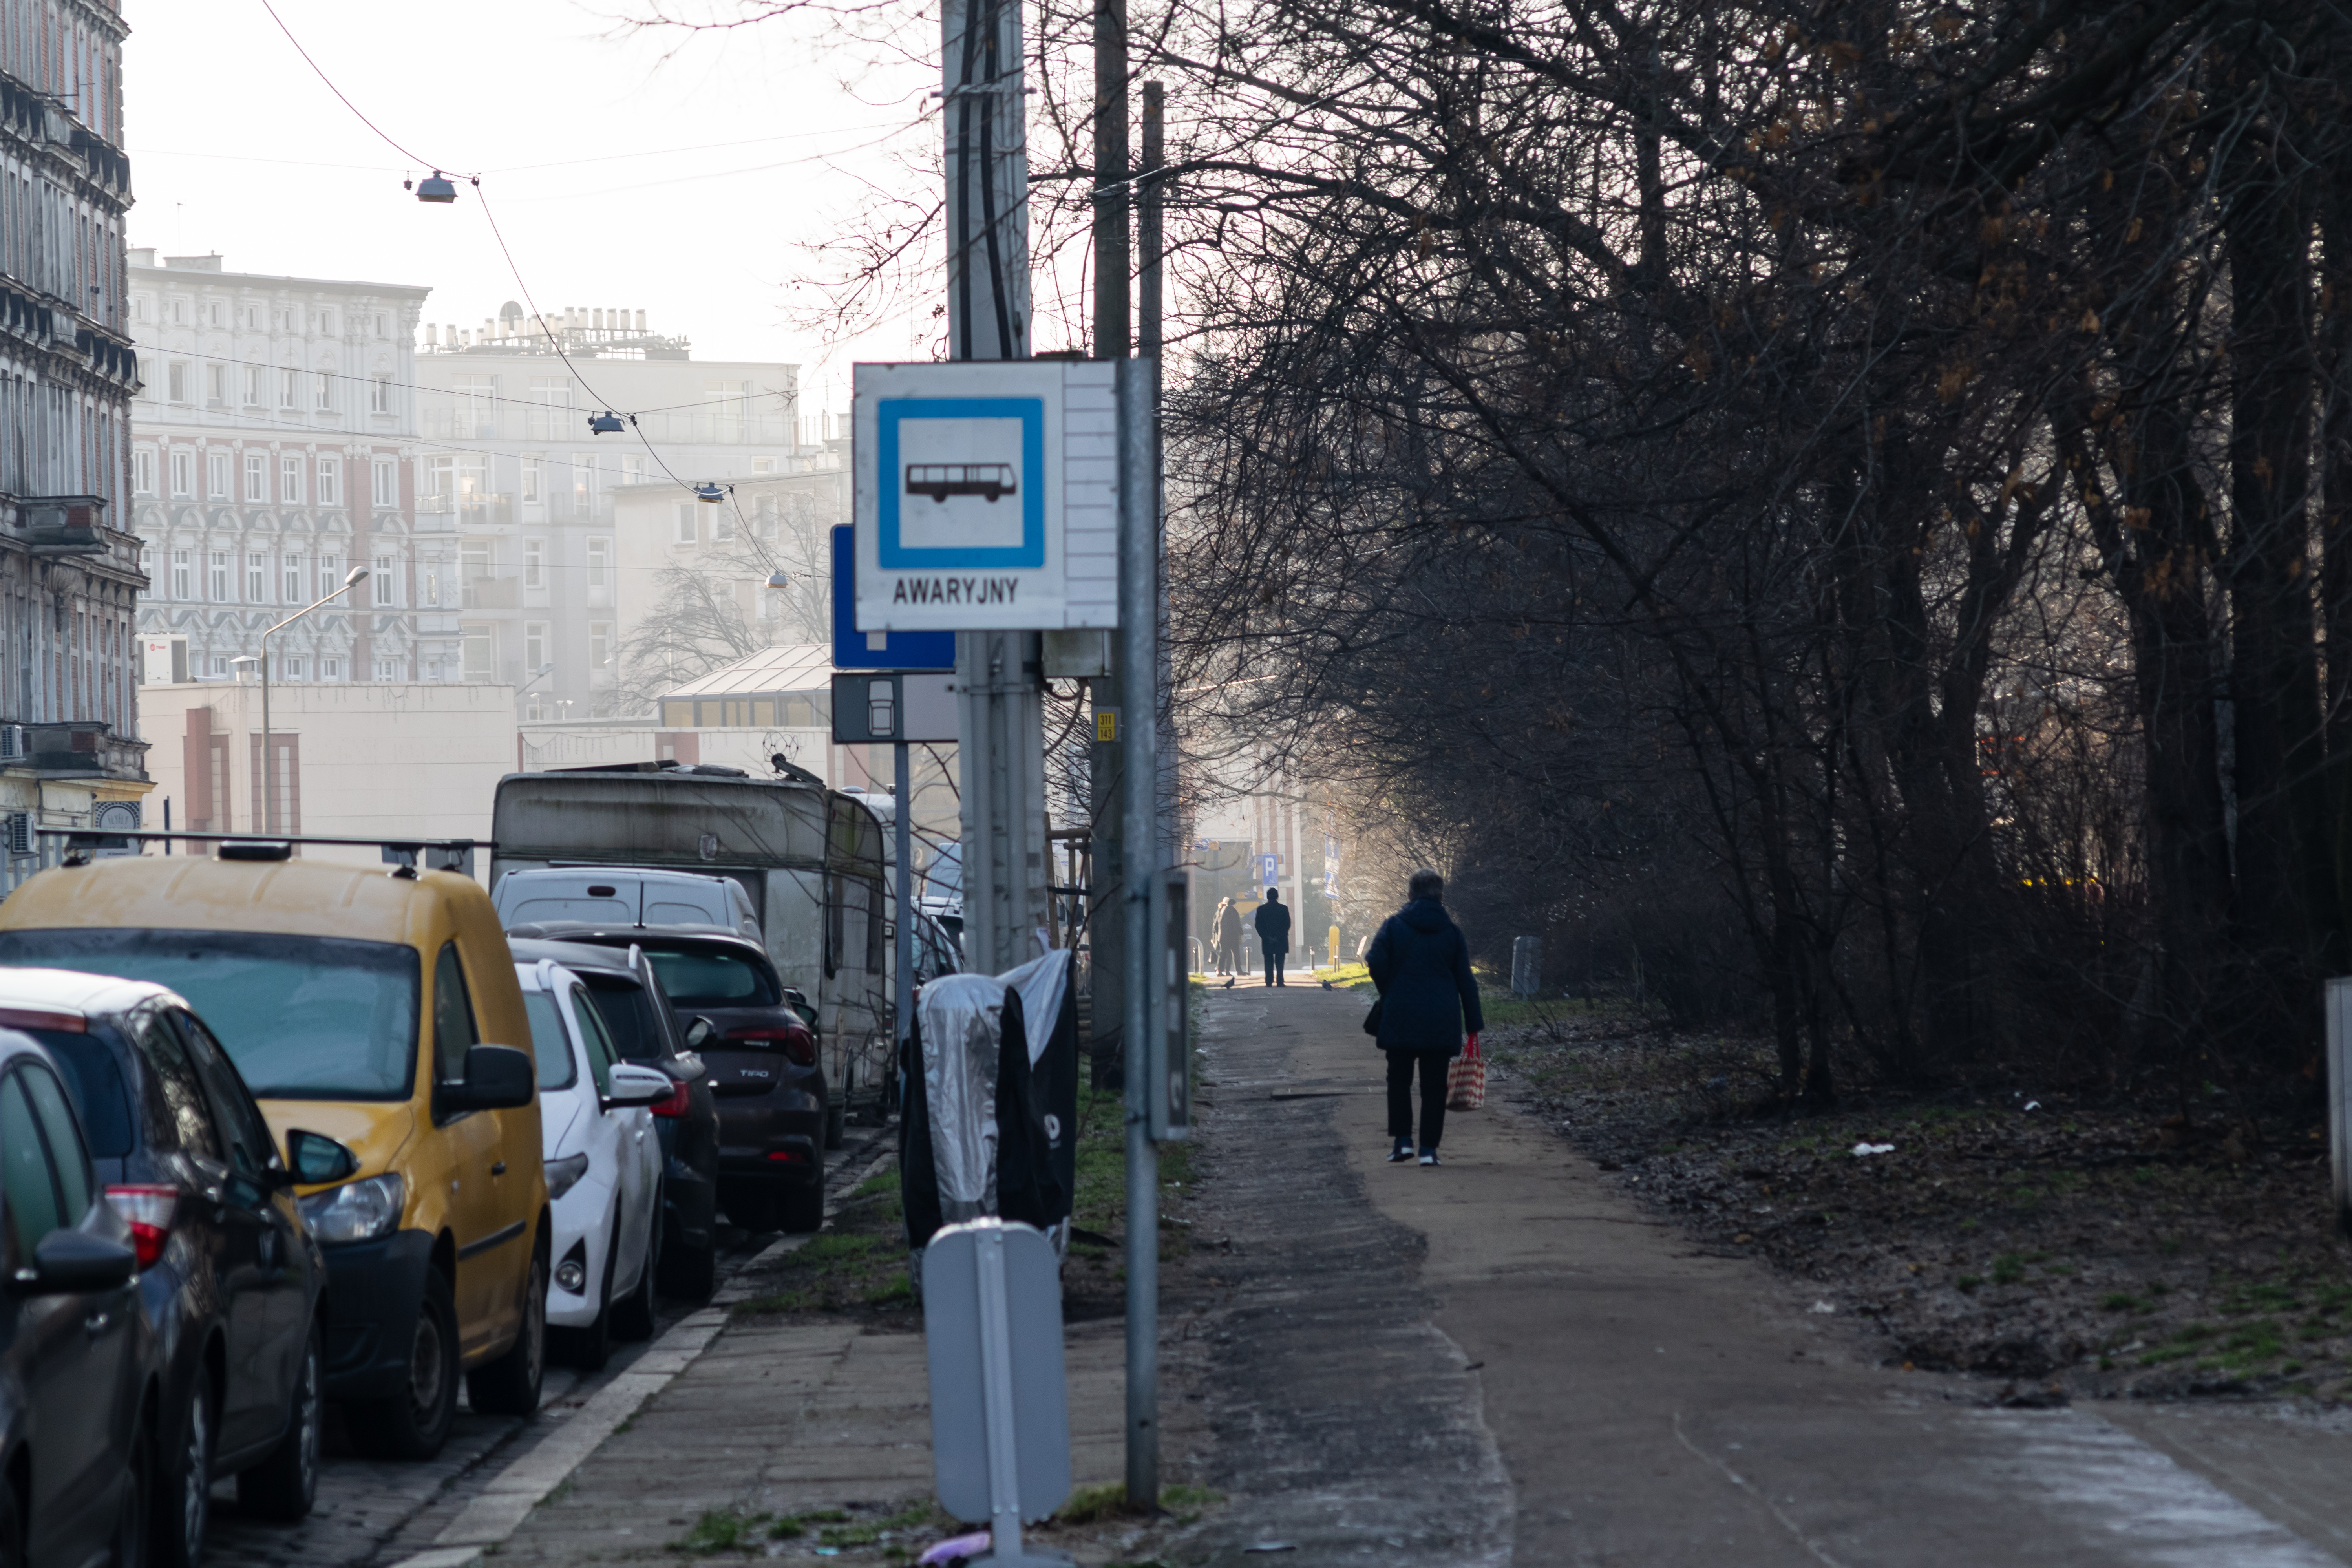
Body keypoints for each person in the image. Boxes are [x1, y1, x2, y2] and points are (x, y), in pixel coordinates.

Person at [1365, 868, 1482, 1166]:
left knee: (1399, 1080)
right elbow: (1466, 981)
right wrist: (1473, 1025)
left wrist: (1389, 989)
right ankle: (1429, 1150)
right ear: (1441, 897)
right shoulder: (1453, 933)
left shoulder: (1393, 926)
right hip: (1441, 1018)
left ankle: (1402, 1142)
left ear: (1409, 895)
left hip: (1401, 1012)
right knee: (1434, 1085)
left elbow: (1375, 960)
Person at [1253, 886, 1292, 987]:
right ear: (1277, 897)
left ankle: (1269, 981)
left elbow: (1258, 925)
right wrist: (1278, 937)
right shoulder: (1284, 909)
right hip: (1281, 940)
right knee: (1280, 963)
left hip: (1267, 941)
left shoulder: (1261, 910)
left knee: (1268, 962)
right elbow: (1287, 924)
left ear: (1267, 897)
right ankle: (1280, 981)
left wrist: (1266, 937)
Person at [1214, 896, 1244, 976]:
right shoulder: (1233, 911)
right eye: (1236, 905)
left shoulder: (1221, 911)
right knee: (1236, 954)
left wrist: (1220, 934)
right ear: (1233, 905)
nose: (1236, 907)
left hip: (1222, 937)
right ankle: (1239, 971)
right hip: (1232, 937)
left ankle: (1219, 971)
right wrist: (1241, 933)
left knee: (1222, 954)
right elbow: (1236, 924)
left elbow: (1216, 926)